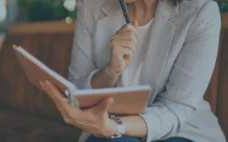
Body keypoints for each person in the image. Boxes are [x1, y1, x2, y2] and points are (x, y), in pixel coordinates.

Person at [40, 0, 226, 141]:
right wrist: (111, 71)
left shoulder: (199, 12)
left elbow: (176, 109)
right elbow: (77, 86)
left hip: (183, 129)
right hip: (108, 125)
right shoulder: (92, 5)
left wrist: (113, 127)